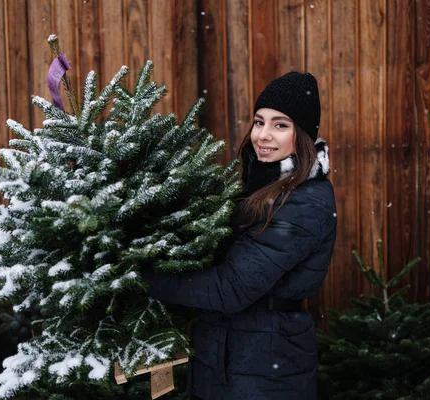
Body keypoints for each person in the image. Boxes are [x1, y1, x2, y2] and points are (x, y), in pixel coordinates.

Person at [142, 71, 337, 399]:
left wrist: (142, 277)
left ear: (301, 135)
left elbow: (230, 289)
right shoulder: (254, 184)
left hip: (264, 370)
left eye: (280, 125)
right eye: (259, 122)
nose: (263, 135)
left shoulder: (307, 201)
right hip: (221, 361)